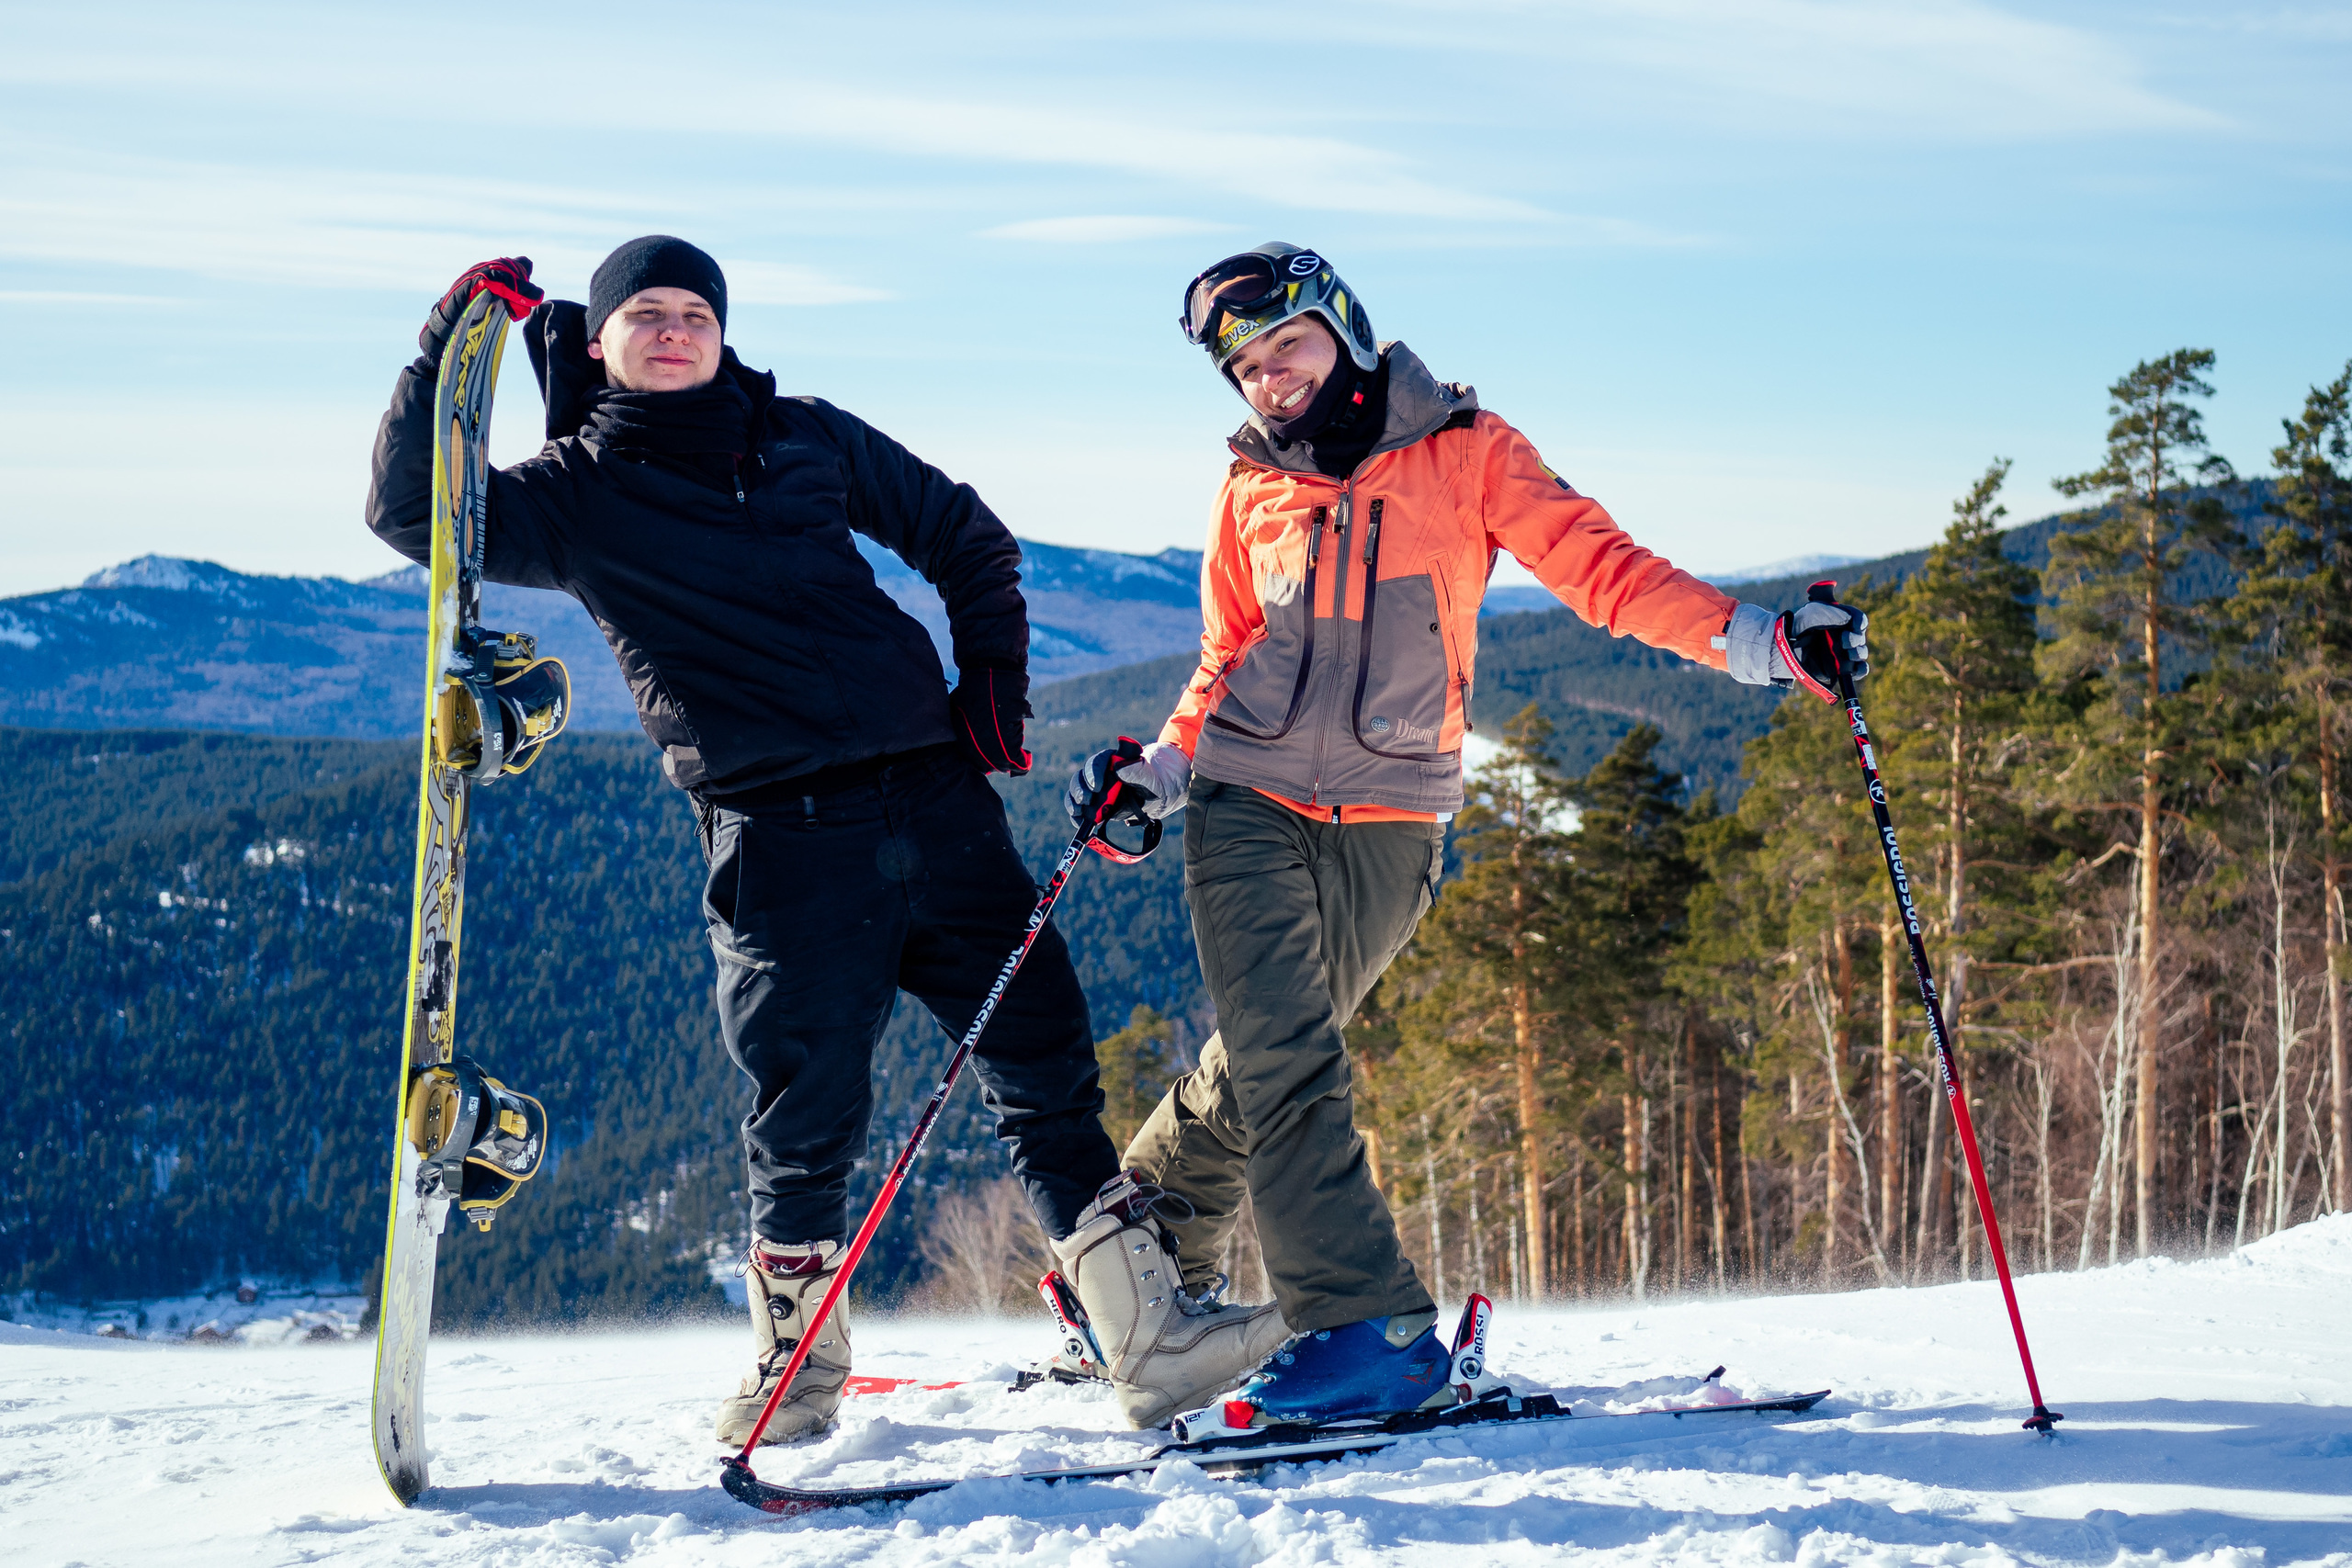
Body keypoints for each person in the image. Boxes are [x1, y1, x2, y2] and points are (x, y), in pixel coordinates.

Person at [364, 239, 1277, 1445]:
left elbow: (965, 534)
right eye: (647, 313)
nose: (675, 330)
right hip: (782, 840)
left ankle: (1148, 1343)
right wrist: (439, 357)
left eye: (696, 312)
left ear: (722, 332)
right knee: (804, 1114)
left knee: (1046, 1064)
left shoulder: (800, 433)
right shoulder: (573, 495)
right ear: (598, 340)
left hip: (939, 806)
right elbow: (414, 515)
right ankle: (795, 1377)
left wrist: (991, 686)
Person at [1062, 243, 1869, 1427]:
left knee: (1272, 1055)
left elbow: (1603, 571)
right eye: (1245, 368)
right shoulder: (1248, 487)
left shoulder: (1468, 451)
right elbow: (1224, 656)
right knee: (1286, 1054)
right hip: (1245, 801)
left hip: (1394, 814)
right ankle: (1366, 1328)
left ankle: (1140, 1269)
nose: (1270, 378)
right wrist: (1163, 776)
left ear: (1343, 328)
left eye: (1287, 346)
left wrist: (1760, 642)